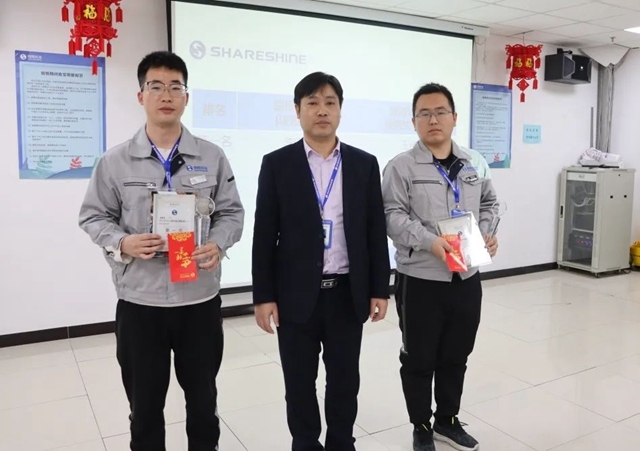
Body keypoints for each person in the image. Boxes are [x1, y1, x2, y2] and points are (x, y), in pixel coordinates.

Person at [78, 51, 244, 451]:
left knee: (203, 401)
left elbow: (232, 213)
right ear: (141, 96)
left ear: (187, 97)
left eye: (175, 87)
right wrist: (123, 242)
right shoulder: (115, 161)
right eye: (155, 86)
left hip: (198, 299)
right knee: (145, 406)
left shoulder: (212, 156)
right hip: (141, 303)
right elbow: (93, 216)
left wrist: (218, 243)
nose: (166, 95)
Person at [251, 71, 391, 451]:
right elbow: (264, 234)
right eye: (312, 103)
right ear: (298, 110)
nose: (322, 110)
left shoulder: (363, 164)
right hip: (294, 295)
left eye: (330, 102)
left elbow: (374, 231)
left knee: (345, 380)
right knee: (298, 382)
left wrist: (380, 289)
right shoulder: (277, 163)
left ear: (340, 110)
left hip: (347, 292)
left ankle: (342, 442)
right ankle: (305, 443)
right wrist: (263, 295)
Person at [381, 83, 498, 451]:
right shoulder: (401, 166)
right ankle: (421, 425)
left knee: (456, 353)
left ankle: (448, 420)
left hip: (466, 276)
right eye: (425, 113)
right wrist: (430, 241)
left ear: (454, 118)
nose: (433, 119)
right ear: (414, 121)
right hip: (421, 279)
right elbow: (391, 215)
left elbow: (491, 204)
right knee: (419, 357)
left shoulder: (473, 163)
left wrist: (487, 233)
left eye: (440, 112)